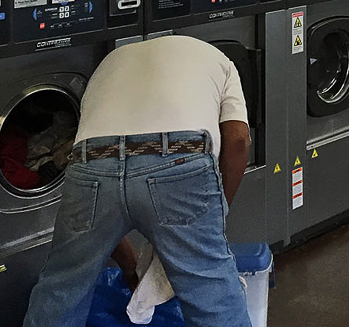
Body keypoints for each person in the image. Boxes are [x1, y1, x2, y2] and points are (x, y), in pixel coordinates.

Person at [21, 35, 253, 327]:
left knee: (62, 286)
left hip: (90, 160)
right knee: (209, 288)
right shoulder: (223, 62)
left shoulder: (111, 62)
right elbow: (239, 141)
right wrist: (216, 214)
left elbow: (108, 191)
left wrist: (129, 266)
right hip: (178, 156)